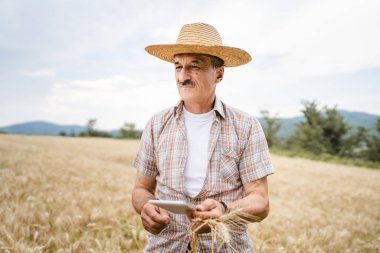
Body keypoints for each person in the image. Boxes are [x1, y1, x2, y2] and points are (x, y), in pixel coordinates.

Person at [132, 22, 274, 252]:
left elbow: (260, 201)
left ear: (218, 74)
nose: (183, 76)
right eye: (178, 66)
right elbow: (141, 188)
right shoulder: (156, 124)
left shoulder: (246, 126)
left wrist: (225, 210)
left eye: (194, 66)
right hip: (165, 247)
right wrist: (145, 207)